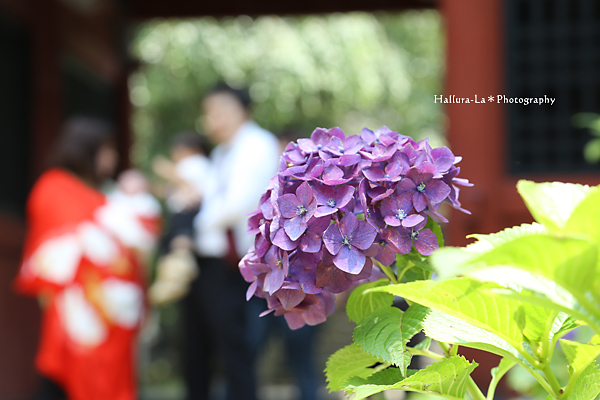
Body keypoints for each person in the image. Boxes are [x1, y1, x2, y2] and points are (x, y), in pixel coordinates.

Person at [14, 117, 159, 400]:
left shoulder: (102, 193)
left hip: (111, 310)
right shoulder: (54, 187)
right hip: (74, 305)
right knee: (60, 377)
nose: (113, 158)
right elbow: (56, 248)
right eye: (107, 150)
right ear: (87, 149)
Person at [185, 83, 280, 400]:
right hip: (211, 262)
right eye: (209, 113)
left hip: (234, 267)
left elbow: (240, 202)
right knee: (200, 348)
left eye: (221, 111)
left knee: (235, 352)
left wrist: (195, 224)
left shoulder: (256, 144)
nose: (214, 120)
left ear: (244, 111)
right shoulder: (222, 152)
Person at [149, 132, 211, 305]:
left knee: (180, 248)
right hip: (178, 215)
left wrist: (165, 169)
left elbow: (191, 189)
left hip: (188, 214)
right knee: (171, 248)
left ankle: (177, 278)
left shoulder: (197, 163)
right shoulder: (187, 167)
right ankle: (169, 280)